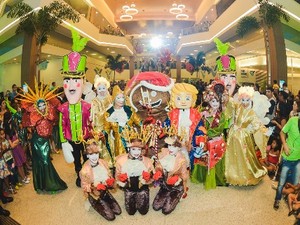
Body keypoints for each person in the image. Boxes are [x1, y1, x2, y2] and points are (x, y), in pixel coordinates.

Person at [19, 84, 67, 193]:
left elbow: (56, 112)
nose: (42, 107)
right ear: (36, 106)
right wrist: (25, 93)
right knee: (43, 161)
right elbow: (26, 115)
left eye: (43, 105)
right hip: (37, 141)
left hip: (46, 141)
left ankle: (45, 185)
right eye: (39, 106)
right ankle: (47, 185)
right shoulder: (34, 115)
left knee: (45, 161)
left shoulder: (50, 112)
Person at [58, 29, 90, 187]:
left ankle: (87, 174)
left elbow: (92, 122)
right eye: (67, 79)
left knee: (88, 156)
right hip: (72, 139)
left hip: (87, 138)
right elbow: (61, 125)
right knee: (76, 159)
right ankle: (79, 174)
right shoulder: (63, 108)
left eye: (75, 79)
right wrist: (63, 142)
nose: (71, 85)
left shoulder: (88, 106)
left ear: (83, 82)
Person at [225, 86, 268, 186]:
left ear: (250, 99)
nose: (244, 102)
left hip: (243, 137)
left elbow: (257, 125)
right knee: (232, 154)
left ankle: (245, 176)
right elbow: (230, 104)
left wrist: (246, 130)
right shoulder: (238, 107)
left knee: (244, 156)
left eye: (247, 100)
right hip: (233, 135)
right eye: (243, 100)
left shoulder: (252, 112)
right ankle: (233, 175)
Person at [191, 80, 227, 189]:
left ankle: (217, 178)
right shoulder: (203, 111)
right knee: (202, 157)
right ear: (208, 100)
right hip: (204, 139)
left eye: (217, 101)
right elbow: (198, 124)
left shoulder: (222, 115)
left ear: (221, 102)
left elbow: (218, 129)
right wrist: (201, 131)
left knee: (215, 160)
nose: (215, 103)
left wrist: (206, 132)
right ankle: (201, 177)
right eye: (213, 101)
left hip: (216, 140)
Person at [164, 82, 206, 173]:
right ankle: (176, 170)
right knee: (175, 157)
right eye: (179, 98)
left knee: (190, 157)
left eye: (187, 98)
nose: (183, 102)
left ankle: (189, 170)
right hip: (176, 141)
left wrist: (201, 139)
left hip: (190, 141)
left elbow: (200, 128)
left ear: (192, 100)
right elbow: (166, 127)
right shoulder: (171, 114)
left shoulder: (196, 115)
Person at [79, 136, 121, 221]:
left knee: (118, 211)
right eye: (91, 154)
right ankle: (92, 202)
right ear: (87, 155)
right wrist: (92, 186)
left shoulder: (103, 162)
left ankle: (105, 199)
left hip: (105, 191)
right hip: (95, 195)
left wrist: (111, 182)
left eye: (96, 153)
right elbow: (84, 186)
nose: (94, 157)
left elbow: (109, 175)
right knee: (111, 217)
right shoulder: (84, 171)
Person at [115, 137, 154, 216]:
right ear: (129, 149)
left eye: (139, 149)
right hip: (129, 189)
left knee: (143, 211)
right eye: (133, 149)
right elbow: (117, 176)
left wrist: (147, 179)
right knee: (131, 212)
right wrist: (123, 182)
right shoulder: (121, 161)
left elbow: (152, 176)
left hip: (142, 189)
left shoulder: (147, 161)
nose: (136, 152)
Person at [152, 135, 188, 214]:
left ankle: (178, 195)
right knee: (155, 207)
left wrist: (177, 178)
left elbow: (184, 176)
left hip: (176, 188)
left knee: (166, 210)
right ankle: (166, 192)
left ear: (178, 148)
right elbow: (159, 165)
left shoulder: (181, 160)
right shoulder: (164, 153)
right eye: (169, 145)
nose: (170, 149)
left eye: (174, 147)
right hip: (165, 185)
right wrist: (158, 171)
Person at [104, 85, 141, 158]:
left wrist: (146, 125)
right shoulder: (108, 113)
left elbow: (138, 122)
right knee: (121, 160)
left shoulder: (129, 110)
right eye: (118, 98)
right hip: (118, 142)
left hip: (131, 141)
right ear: (114, 99)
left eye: (123, 97)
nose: (121, 100)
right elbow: (106, 129)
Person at [273, 115, 300, 210]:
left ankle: (290, 198)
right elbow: (282, 132)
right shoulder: (293, 121)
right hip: (287, 159)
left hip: (298, 160)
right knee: (281, 182)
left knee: (296, 183)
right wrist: (284, 144)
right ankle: (277, 199)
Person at [91, 75, 112, 163]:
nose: (102, 90)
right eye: (100, 89)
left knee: (111, 146)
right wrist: (107, 110)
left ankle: (111, 164)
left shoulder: (110, 99)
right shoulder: (94, 101)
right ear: (96, 90)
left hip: (110, 127)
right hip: (99, 128)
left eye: (104, 88)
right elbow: (96, 115)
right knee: (101, 148)